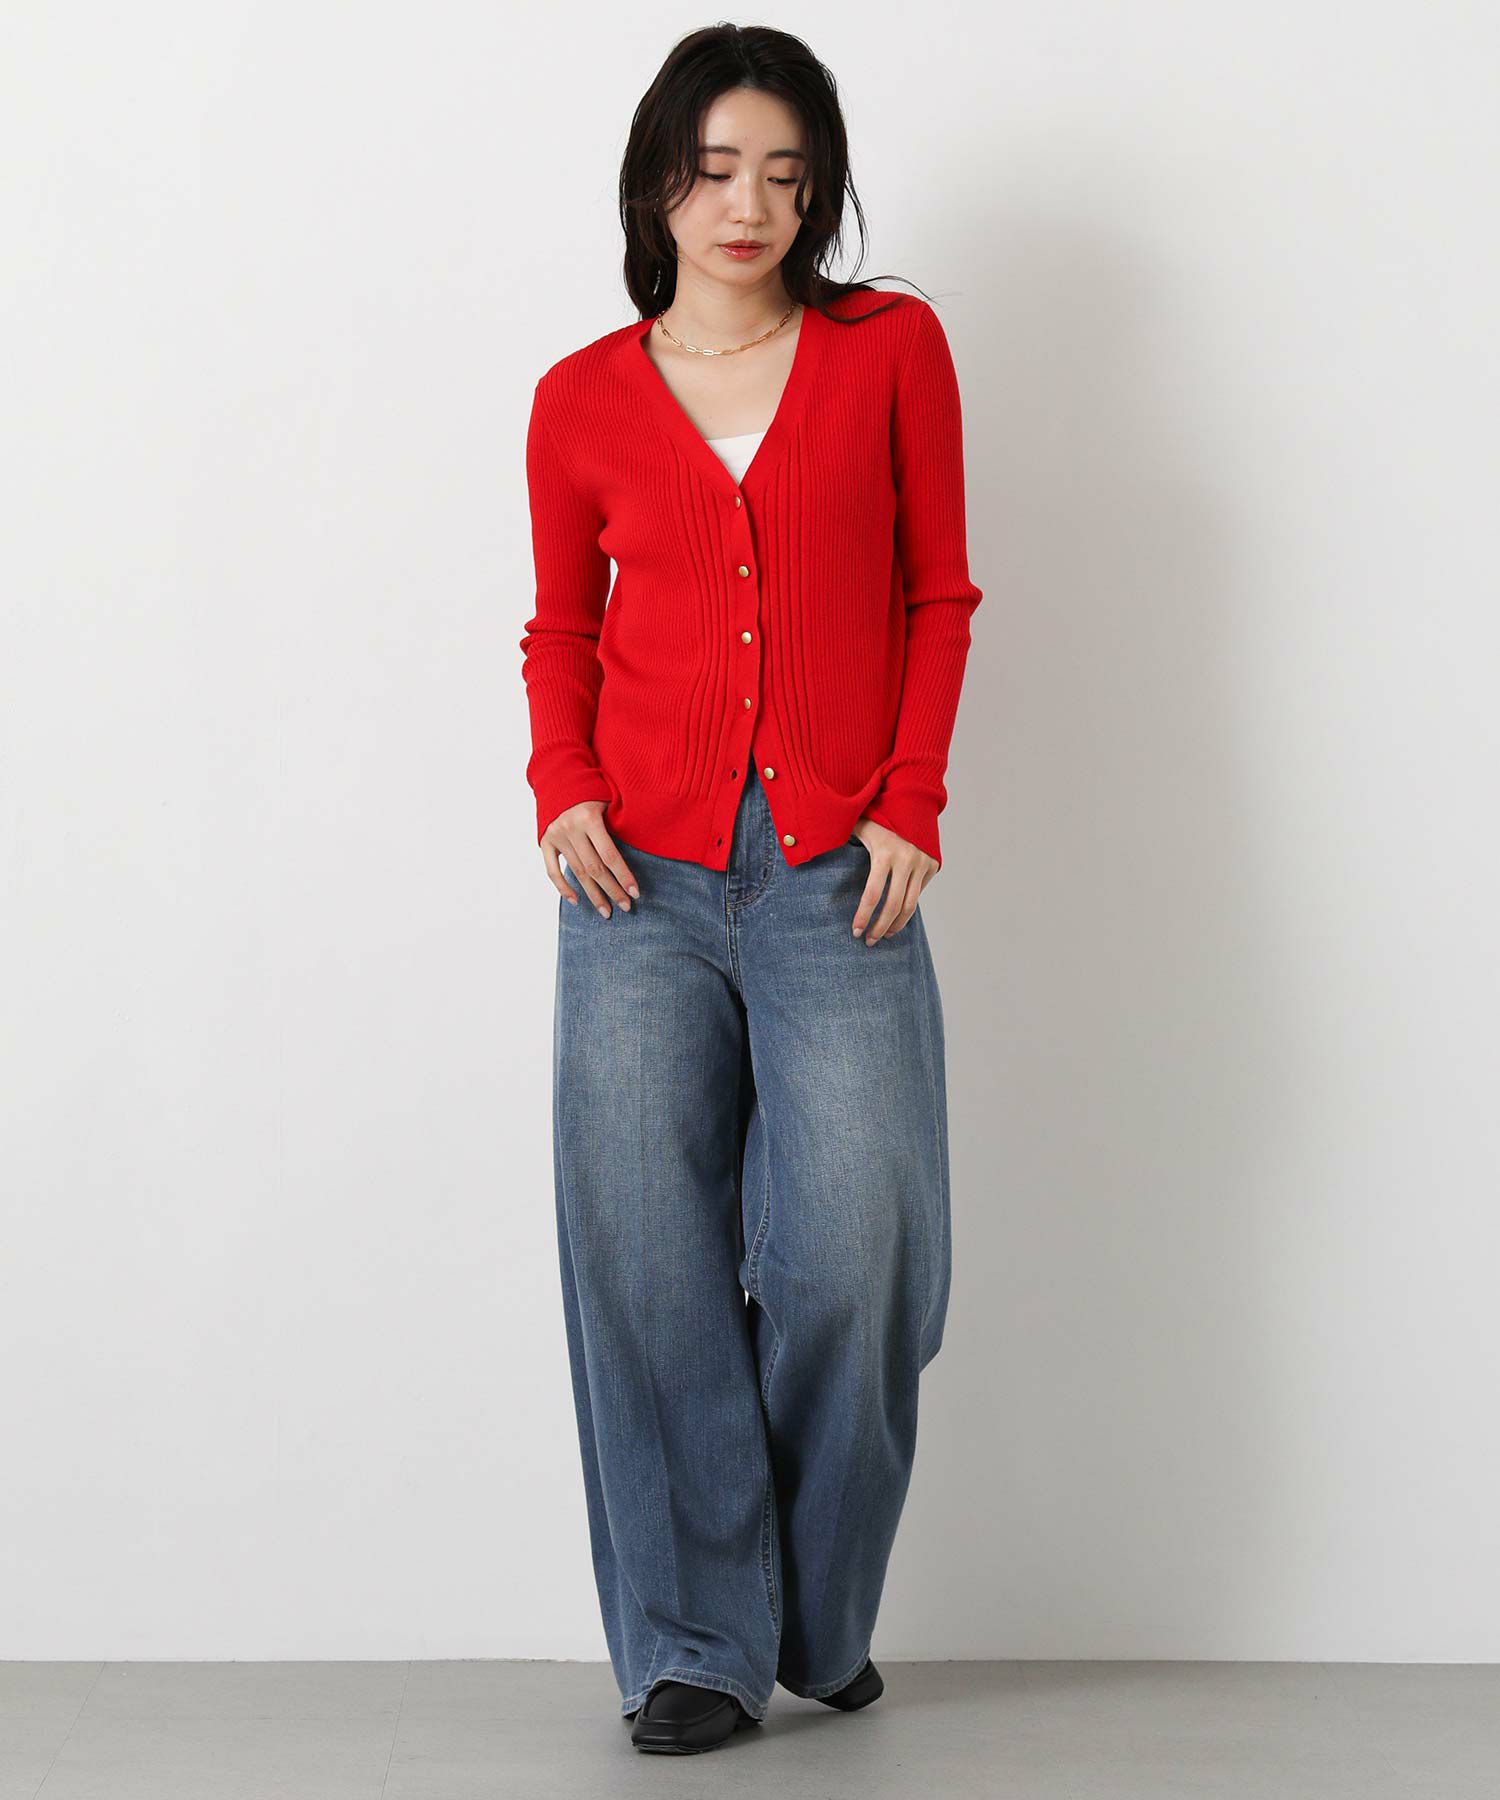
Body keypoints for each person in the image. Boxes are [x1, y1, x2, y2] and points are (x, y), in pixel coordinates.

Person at [518, 23, 983, 1756]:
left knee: (863, 1254)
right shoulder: (580, 398)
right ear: (659, 180)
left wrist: (912, 799)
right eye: (716, 169)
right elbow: (562, 631)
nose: (751, 204)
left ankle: (815, 1614)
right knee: (645, 1267)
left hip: (838, 877)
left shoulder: (889, 352)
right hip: (632, 885)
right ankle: (699, 1647)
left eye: (787, 174)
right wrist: (562, 784)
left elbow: (939, 592)